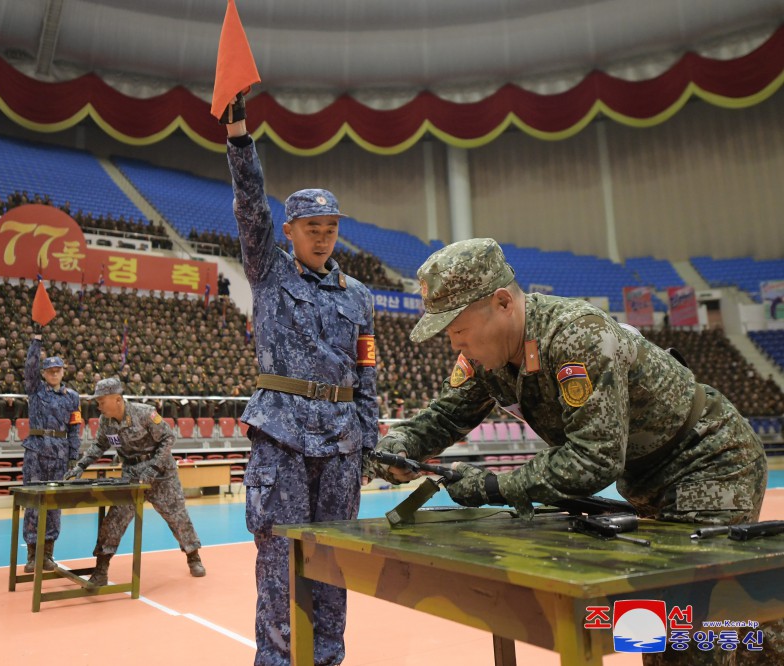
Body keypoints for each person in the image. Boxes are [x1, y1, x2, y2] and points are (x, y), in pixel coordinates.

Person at [373, 237, 776, 666]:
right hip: (649, 478)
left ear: (504, 302)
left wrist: (496, 485)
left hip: (708, 460)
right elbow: (443, 417)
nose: (455, 345)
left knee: (688, 637)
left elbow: (593, 457)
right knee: (661, 633)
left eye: (458, 330)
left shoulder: (576, 335)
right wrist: (399, 446)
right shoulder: (484, 358)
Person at [224, 100, 379, 666]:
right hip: (282, 437)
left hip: (340, 443)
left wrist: (369, 439)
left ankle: (329, 661)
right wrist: (240, 138)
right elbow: (248, 206)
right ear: (290, 231)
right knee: (280, 567)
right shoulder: (268, 270)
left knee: (335, 566)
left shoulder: (359, 297)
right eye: (312, 229)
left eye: (331, 229)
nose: (322, 238)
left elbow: (367, 371)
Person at [64, 377, 205, 584]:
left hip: (161, 474)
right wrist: (81, 466)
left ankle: (193, 556)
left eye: (102, 401)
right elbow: (99, 445)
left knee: (177, 515)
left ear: (117, 399)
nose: (98, 405)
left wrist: (153, 468)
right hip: (131, 473)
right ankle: (101, 568)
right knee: (115, 518)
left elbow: (168, 439)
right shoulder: (107, 422)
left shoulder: (144, 413)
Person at [21, 331, 82, 573]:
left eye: (58, 370)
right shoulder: (36, 390)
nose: (54, 373)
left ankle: (47, 555)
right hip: (36, 451)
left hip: (59, 452)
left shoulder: (73, 397)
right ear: (44, 374)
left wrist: (73, 457)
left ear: (63, 372)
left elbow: (75, 429)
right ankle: (31, 556)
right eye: (50, 370)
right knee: (34, 503)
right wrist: (36, 342)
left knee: (54, 505)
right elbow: (30, 367)